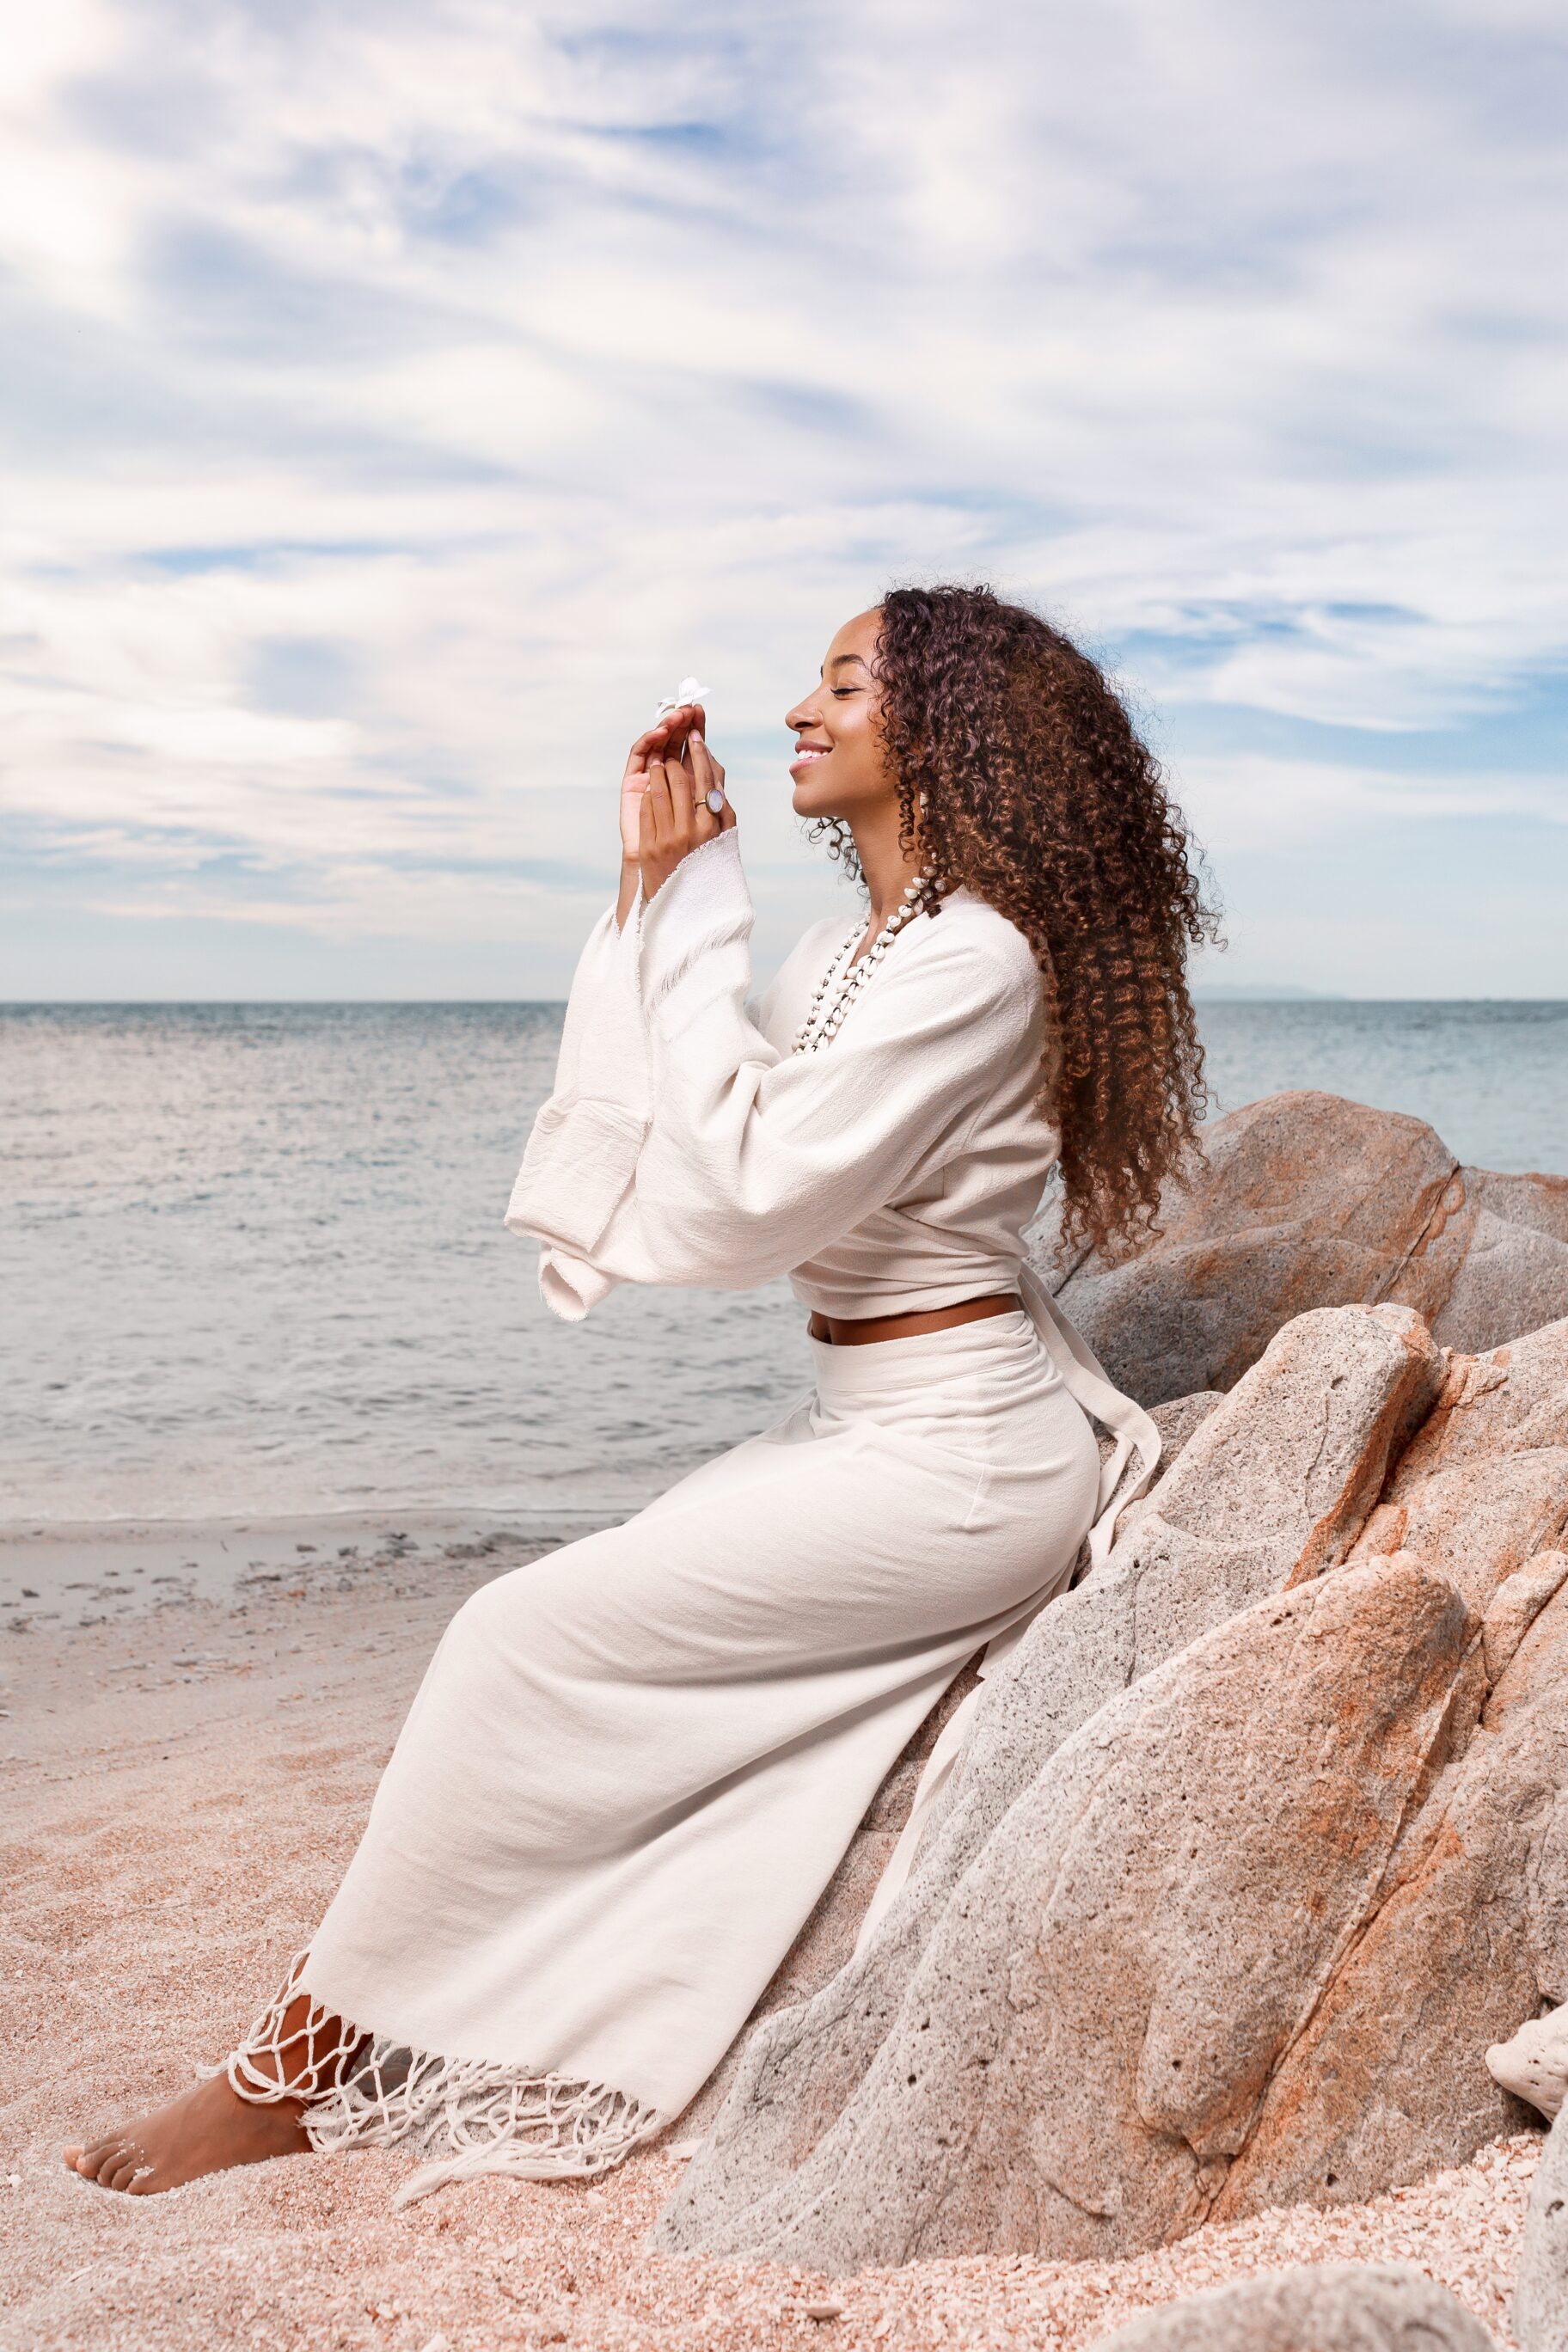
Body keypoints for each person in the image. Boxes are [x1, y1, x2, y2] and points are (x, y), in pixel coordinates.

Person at [64, 584, 1216, 2203]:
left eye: (845, 685)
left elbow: (745, 1188)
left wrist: (699, 911)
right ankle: (380, 2028)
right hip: (863, 1427)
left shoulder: (978, 962)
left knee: (508, 1636)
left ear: (947, 730)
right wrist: (653, 890)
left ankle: (292, 2074)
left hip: (959, 1459)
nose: (802, 712)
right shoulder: (855, 946)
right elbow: (701, 1119)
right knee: (572, 1653)